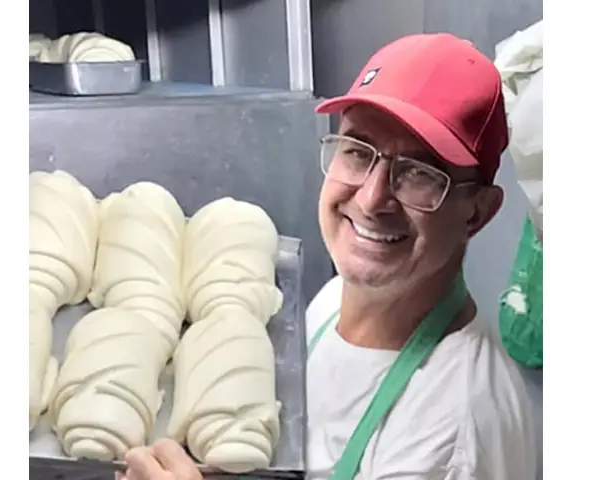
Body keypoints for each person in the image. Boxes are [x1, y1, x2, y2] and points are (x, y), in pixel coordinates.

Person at [121, 33, 537, 480]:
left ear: (477, 212)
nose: (372, 199)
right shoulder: (335, 300)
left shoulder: (454, 432)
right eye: (357, 152)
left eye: (419, 173)